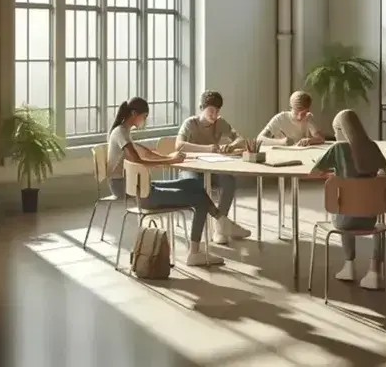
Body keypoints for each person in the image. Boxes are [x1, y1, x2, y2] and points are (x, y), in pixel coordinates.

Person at [106, 97, 246, 267]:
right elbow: (137, 160)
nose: (145, 120)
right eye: (145, 116)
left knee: (194, 185)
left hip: (139, 186)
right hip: (132, 190)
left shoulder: (123, 131)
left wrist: (168, 157)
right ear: (134, 114)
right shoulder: (120, 132)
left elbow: (145, 153)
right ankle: (196, 252)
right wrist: (168, 162)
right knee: (199, 199)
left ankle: (221, 222)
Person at [309, 109, 386, 290]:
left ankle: (349, 265)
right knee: (378, 222)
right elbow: (385, 173)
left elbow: (313, 173)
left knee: (343, 206)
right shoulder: (373, 147)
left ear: (340, 130)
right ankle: (374, 271)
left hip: (345, 221)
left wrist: (336, 175)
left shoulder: (337, 149)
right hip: (370, 219)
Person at [175, 90, 251, 244]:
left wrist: (231, 146)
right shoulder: (190, 123)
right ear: (201, 108)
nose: (214, 114)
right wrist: (207, 148)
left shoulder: (220, 122)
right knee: (195, 186)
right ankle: (223, 221)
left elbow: (241, 139)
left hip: (213, 167)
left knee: (229, 181)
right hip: (191, 169)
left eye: (217, 111)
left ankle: (219, 228)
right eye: (211, 110)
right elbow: (179, 145)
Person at [257, 91, 326, 146]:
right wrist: (281, 142)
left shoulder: (308, 117)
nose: (299, 117)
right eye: (296, 113)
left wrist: (310, 140)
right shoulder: (280, 119)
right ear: (291, 108)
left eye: (303, 113)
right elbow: (259, 139)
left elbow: (321, 139)